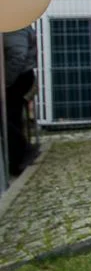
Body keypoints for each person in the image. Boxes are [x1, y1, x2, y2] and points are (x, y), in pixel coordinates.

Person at [3, 25, 38, 176]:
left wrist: (5, 81)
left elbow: (17, 55)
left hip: (17, 77)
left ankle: (21, 152)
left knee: (7, 117)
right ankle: (17, 160)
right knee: (13, 117)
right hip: (20, 76)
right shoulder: (18, 24)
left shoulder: (13, 26)